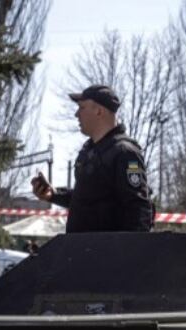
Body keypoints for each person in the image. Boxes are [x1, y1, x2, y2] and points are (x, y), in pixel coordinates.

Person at [30, 85, 153, 233]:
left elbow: (138, 209)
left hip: (107, 247)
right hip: (82, 245)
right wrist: (53, 195)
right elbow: (88, 200)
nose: (76, 114)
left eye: (82, 108)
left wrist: (130, 247)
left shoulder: (125, 152)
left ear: (99, 111)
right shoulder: (89, 151)